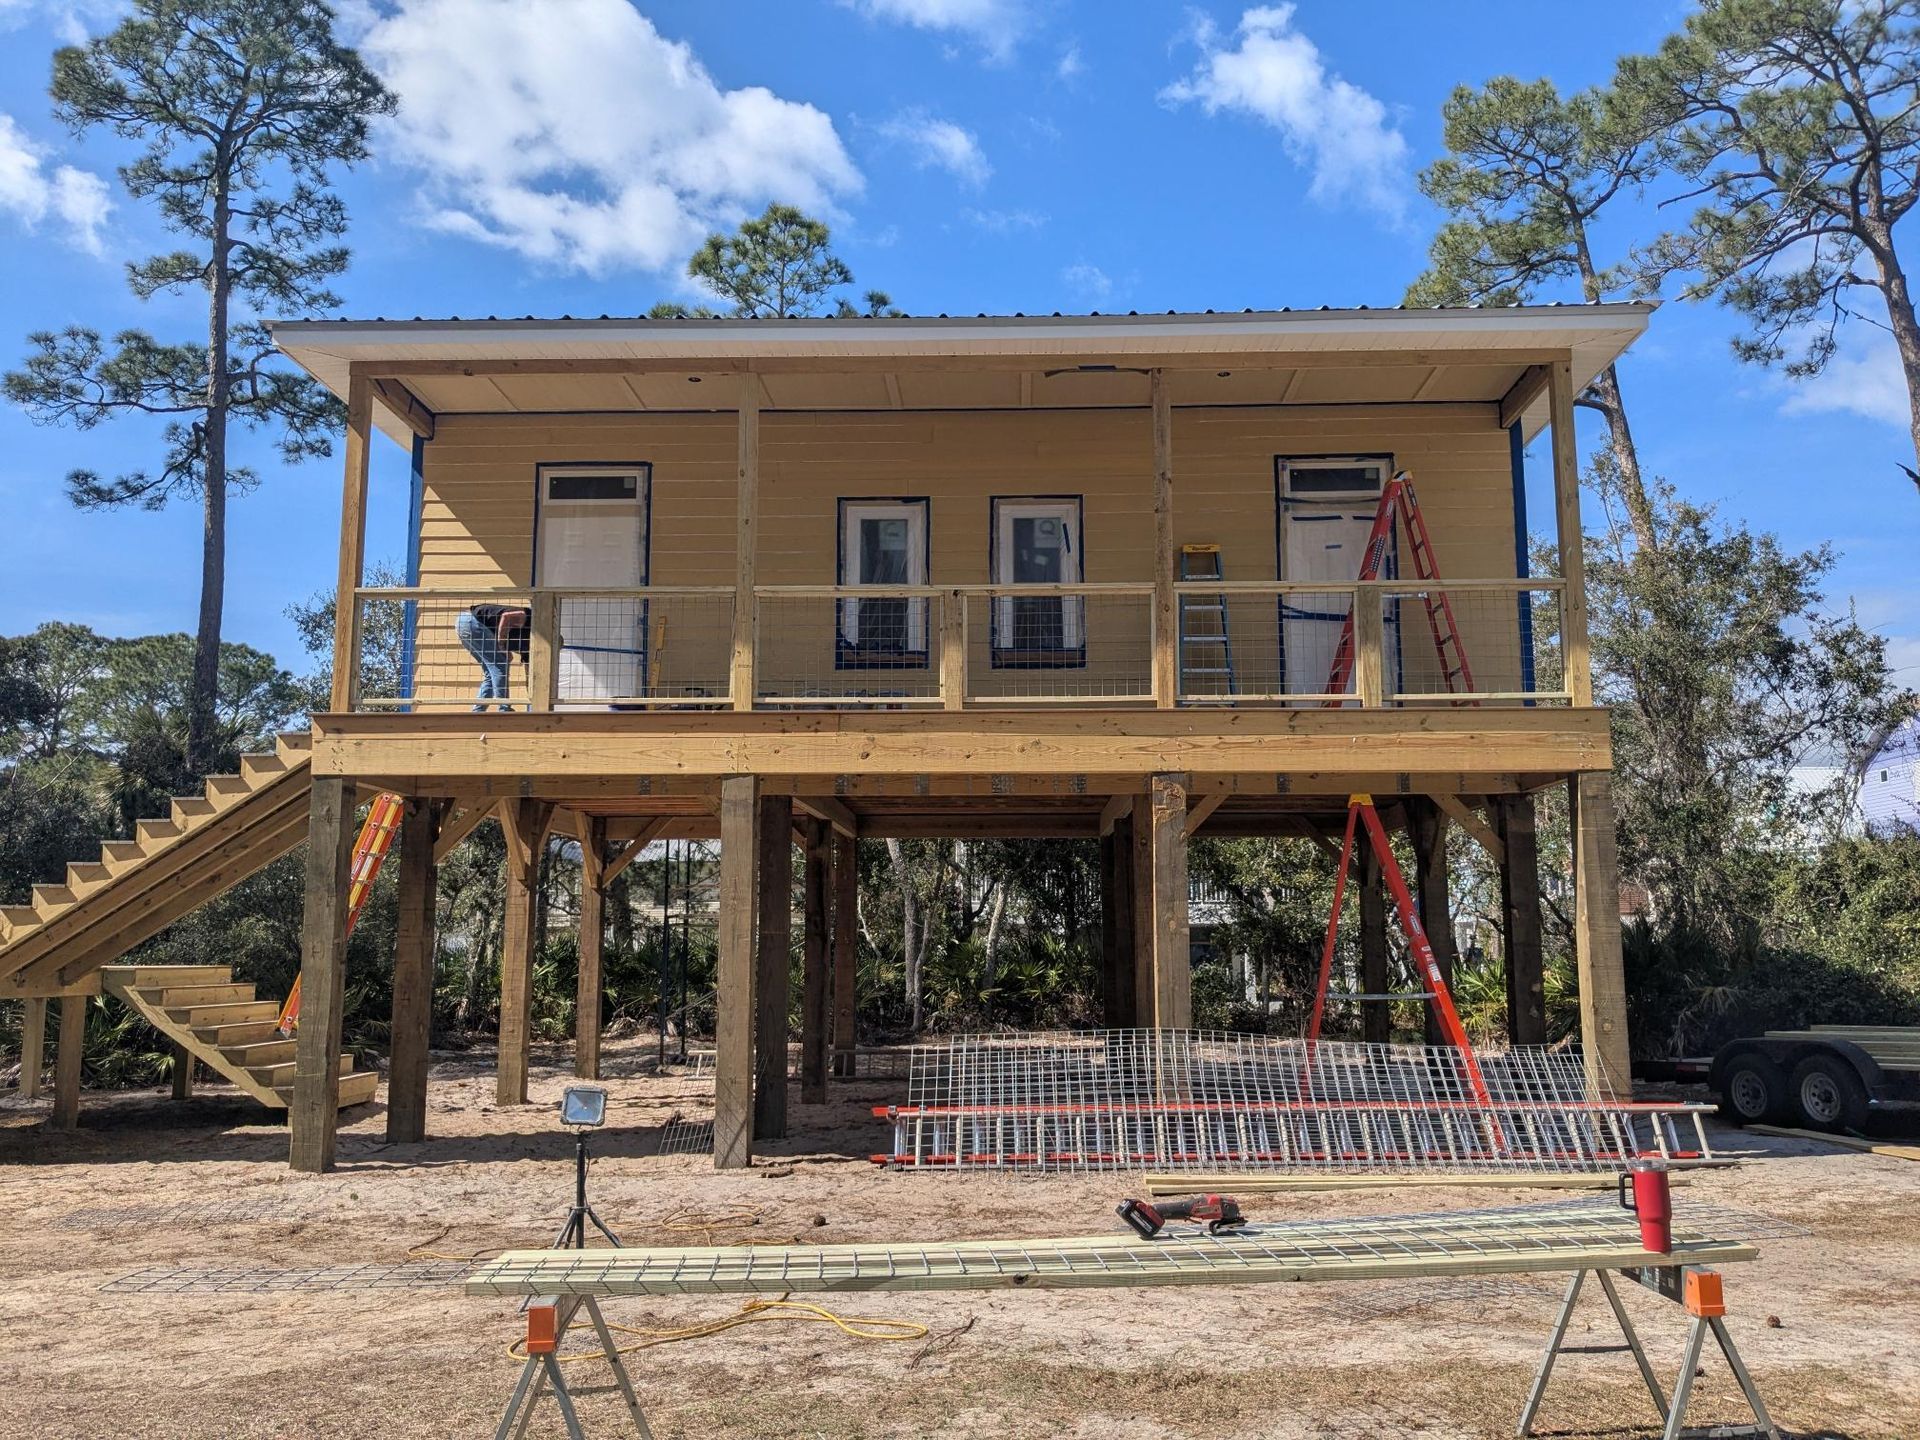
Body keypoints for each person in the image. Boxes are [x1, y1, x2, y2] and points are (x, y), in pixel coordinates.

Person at [456, 602, 530, 711]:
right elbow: (506, 617)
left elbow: (530, 671)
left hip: (465, 623)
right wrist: (501, 645)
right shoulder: (532, 617)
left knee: (491, 673)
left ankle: (478, 711)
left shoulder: (531, 648)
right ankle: (504, 708)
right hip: (473, 621)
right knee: (500, 665)